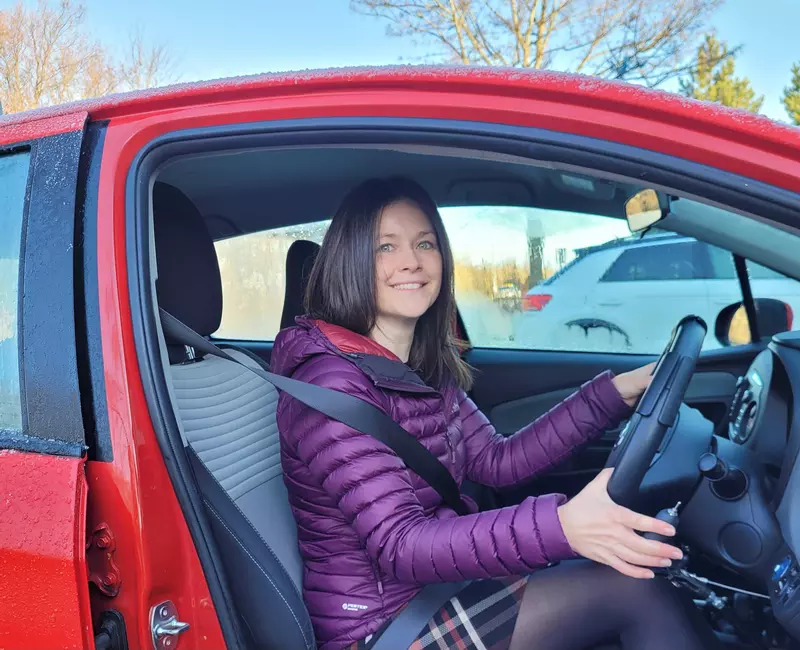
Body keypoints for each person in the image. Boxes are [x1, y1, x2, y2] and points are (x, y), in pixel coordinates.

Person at [271, 177, 721, 650]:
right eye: (386, 246)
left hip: (434, 591)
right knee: (637, 592)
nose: (412, 261)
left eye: (426, 243)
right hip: (383, 629)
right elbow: (401, 546)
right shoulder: (330, 385)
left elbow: (496, 461)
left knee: (632, 574)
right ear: (351, 260)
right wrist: (562, 527)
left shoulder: (416, 369)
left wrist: (610, 395)